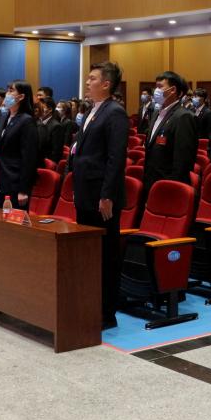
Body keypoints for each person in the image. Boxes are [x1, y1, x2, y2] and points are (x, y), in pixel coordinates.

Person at [68, 62, 128, 329]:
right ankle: (89, 304)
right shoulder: (93, 110)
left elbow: (116, 158)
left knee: (105, 255)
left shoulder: (115, 112)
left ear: (106, 84)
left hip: (101, 197)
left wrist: (107, 195)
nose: (87, 82)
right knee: (89, 253)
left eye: (92, 78)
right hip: (86, 192)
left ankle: (106, 313)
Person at [143, 71, 197, 200]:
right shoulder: (156, 113)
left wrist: (171, 187)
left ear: (173, 90)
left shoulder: (184, 116)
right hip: (151, 182)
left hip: (169, 187)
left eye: (160, 86)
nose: (156, 90)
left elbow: (183, 161)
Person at [0, 81, 38, 210]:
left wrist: (24, 190)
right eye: (7, 90)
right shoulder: (4, 117)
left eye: (11, 90)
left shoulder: (26, 121)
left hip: (15, 182)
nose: (7, 94)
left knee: (14, 221)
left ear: (21, 97)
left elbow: (29, 158)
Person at [36, 97, 65, 166]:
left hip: (46, 164)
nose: (39, 110)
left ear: (50, 110)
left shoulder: (56, 126)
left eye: (42, 107)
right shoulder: (37, 122)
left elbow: (56, 153)